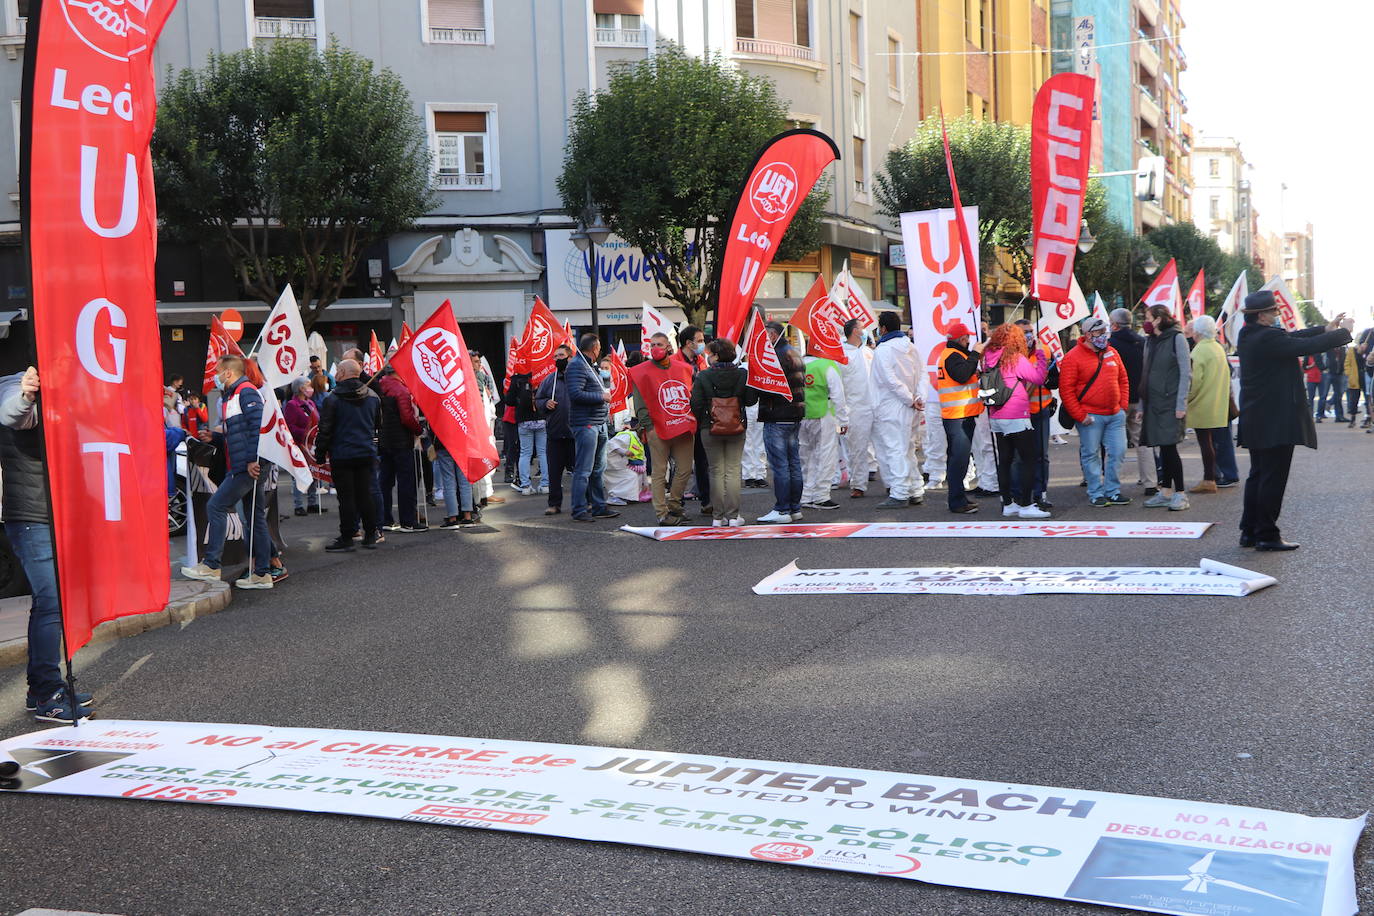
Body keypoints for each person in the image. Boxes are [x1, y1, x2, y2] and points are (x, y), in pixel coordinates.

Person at [0, 368, 93, 722]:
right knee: (51, 602)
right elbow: (14, 414)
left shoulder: (58, 391)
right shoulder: (12, 387)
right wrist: (26, 395)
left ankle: (40, 687)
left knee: (49, 604)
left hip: (55, 516)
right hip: (32, 518)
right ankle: (48, 695)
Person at [1237, 292, 1351, 550]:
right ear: (1261, 314)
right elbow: (1302, 346)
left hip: (1257, 418)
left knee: (1258, 475)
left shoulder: (1248, 335)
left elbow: (1293, 337)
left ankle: (1250, 531)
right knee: (1272, 478)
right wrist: (1342, 333)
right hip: (1275, 419)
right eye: (1273, 312)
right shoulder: (1267, 337)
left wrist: (1325, 327)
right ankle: (1266, 534)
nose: (1276, 315)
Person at [181, 356, 274, 588]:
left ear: (228, 373)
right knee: (255, 519)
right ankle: (262, 573)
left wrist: (253, 460)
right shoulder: (237, 393)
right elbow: (242, 432)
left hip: (247, 466)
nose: (215, 376)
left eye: (217, 372)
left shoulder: (245, 392)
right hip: (247, 464)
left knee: (216, 506)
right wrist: (217, 437)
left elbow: (257, 429)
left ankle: (212, 565)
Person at [981, 324, 1051, 518]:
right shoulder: (1015, 358)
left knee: (1005, 459)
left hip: (996, 414)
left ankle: (1008, 503)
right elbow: (1037, 378)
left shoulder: (988, 357)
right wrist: (1041, 356)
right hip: (1016, 414)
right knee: (1029, 459)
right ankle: (1027, 505)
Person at [1060, 317, 1131, 507]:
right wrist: (1080, 416)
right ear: (1088, 334)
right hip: (1090, 417)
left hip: (1115, 414)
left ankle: (1113, 491)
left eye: (1105, 331)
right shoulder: (1073, 357)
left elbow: (1123, 379)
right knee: (1090, 454)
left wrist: (1122, 405)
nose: (1104, 336)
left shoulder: (1112, 352)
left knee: (1118, 452)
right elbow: (1066, 390)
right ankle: (1096, 492)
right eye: (1099, 332)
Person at [313, 359, 382, 551]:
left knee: (346, 498)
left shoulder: (332, 399)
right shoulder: (373, 396)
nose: (335, 374)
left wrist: (319, 455)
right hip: (366, 452)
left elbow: (324, 429)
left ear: (342, 372)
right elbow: (378, 425)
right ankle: (370, 535)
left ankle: (347, 537)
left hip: (342, 453)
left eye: (338, 371)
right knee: (365, 494)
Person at [630, 332, 696, 525]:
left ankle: (675, 505)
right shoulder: (640, 371)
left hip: (681, 427)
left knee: (684, 469)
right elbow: (639, 403)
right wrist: (648, 427)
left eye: (659, 344)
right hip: (657, 429)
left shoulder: (684, 369)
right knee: (659, 472)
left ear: (669, 347)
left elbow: (691, 396)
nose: (655, 348)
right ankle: (661, 513)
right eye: (651, 345)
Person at [691, 337, 758, 526]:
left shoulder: (704, 376)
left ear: (717, 356)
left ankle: (717, 517)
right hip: (736, 426)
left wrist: (705, 418)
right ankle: (734, 516)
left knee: (715, 471)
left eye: (710, 354)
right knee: (733, 470)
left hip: (710, 427)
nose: (708, 356)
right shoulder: (742, 374)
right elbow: (751, 400)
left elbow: (695, 403)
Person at [869, 311, 925, 510]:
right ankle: (915, 489)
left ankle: (900, 492)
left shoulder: (884, 349)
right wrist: (918, 397)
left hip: (891, 406)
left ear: (883, 328)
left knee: (895, 449)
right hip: (909, 405)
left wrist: (911, 399)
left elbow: (889, 380)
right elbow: (922, 374)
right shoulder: (910, 346)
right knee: (907, 448)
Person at [1140, 305, 1192, 510]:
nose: (1146, 322)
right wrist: (1143, 405)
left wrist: (1181, 404)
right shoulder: (1150, 341)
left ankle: (1180, 494)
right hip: (1154, 403)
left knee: (1169, 447)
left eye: (1148, 318)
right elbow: (1146, 375)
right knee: (1162, 447)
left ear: (1159, 319)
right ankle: (1165, 491)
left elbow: (1185, 372)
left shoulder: (1176, 338)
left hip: (1170, 403)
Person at [756, 322, 807, 523]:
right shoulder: (793, 352)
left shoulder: (774, 356)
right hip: (794, 414)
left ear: (772, 335)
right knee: (793, 463)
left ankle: (782, 509)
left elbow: (767, 387)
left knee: (780, 465)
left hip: (776, 414)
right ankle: (794, 507)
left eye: (764, 336)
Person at [934, 320, 986, 514]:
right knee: (959, 460)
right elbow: (962, 375)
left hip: (960, 414)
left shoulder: (952, 354)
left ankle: (959, 498)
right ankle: (957, 501)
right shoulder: (953, 356)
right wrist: (975, 355)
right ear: (963, 339)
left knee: (959, 459)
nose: (969, 341)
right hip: (958, 416)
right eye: (968, 338)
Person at [567, 333, 617, 522]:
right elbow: (575, 394)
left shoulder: (588, 366)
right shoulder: (577, 366)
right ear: (595, 348)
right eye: (599, 348)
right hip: (586, 424)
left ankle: (598, 506)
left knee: (598, 469)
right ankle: (579, 509)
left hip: (598, 423)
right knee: (584, 469)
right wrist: (601, 397)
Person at [1011, 318, 1057, 510]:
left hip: (1040, 410)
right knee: (1018, 457)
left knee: (1040, 455)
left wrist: (1044, 377)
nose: (1028, 335)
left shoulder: (1045, 351)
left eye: (1030, 331)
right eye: (1024, 332)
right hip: (1017, 413)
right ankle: (1018, 496)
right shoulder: (1008, 354)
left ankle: (1040, 494)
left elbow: (1055, 381)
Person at [1184, 316, 1231, 495]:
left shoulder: (1198, 352)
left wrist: (1185, 399)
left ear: (1197, 331)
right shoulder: (1218, 347)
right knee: (1212, 443)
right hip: (1218, 401)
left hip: (1202, 403)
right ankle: (1212, 477)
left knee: (1205, 443)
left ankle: (1209, 479)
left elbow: (1194, 382)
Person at [1108, 308, 1152, 489]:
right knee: (1142, 441)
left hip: (1117, 399)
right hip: (1140, 399)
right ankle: (1150, 481)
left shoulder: (1110, 345)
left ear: (1115, 325)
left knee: (1113, 444)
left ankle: (1112, 484)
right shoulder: (1143, 342)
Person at [376, 367, 425, 532]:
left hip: (384, 440)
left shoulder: (380, 385)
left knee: (385, 481)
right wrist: (419, 430)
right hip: (402, 441)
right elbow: (406, 417)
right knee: (406, 482)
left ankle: (385, 519)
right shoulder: (401, 390)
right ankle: (408, 521)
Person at [799, 349, 848, 510]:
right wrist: (843, 420)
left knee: (806, 457)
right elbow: (838, 396)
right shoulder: (827, 365)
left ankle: (805, 495)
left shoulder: (798, 364)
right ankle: (821, 496)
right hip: (823, 415)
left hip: (801, 415)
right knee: (826, 456)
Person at [676, 325, 712, 515]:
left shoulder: (701, 361)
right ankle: (677, 503)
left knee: (702, 461)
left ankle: (706, 501)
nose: (702, 343)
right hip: (680, 417)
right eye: (699, 340)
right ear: (689, 343)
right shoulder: (673, 361)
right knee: (681, 464)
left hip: (700, 418)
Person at [840, 319, 876, 498]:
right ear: (855, 331)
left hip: (877, 405)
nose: (865, 330)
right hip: (855, 408)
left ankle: (894, 484)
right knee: (857, 448)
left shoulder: (869, 352)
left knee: (885, 446)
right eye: (862, 327)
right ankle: (858, 485)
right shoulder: (841, 354)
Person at [537, 345, 575, 516]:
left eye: (561, 355)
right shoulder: (549, 380)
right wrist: (545, 403)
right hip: (555, 432)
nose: (558, 358)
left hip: (576, 433)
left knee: (581, 472)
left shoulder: (577, 377)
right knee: (554, 472)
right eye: (555, 356)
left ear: (570, 357)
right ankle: (554, 504)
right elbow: (538, 399)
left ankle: (584, 502)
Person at [282, 377, 325, 515]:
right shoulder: (292, 405)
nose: (310, 388)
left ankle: (312, 503)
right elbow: (289, 426)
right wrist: (306, 433)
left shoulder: (310, 402)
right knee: (298, 474)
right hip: (300, 444)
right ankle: (298, 505)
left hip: (311, 444)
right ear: (300, 388)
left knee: (314, 473)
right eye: (308, 385)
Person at [508, 367, 546, 495]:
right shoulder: (543, 372)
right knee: (543, 453)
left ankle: (525, 486)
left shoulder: (517, 379)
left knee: (525, 453)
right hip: (541, 419)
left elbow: (509, 400)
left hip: (524, 420)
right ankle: (546, 484)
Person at [1324, 341, 1349, 423]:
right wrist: (1323, 368)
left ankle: (1339, 416)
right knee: (1323, 394)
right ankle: (1319, 415)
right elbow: (1323, 358)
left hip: (1339, 374)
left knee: (1338, 395)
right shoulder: (1328, 349)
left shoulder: (1343, 349)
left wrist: (1343, 370)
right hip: (1329, 373)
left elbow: (1345, 360)